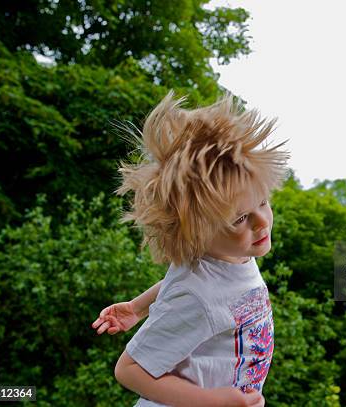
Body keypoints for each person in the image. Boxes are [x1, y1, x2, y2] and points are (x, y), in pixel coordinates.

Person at [91, 91, 288, 407]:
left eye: (263, 202)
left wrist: (138, 307)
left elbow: (194, 283)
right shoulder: (197, 293)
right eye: (240, 219)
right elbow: (128, 371)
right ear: (199, 232)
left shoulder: (232, 254)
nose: (262, 223)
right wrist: (213, 402)